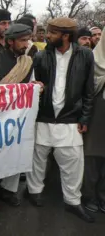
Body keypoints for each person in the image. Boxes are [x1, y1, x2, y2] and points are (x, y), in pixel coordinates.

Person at [26, 17, 95, 223]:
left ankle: (73, 201)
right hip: (44, 117)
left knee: (73, 161)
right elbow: (32, 86)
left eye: (52, 32)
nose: (47, 36)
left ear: (65, 36)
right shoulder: (40, 56)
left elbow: (88, 91)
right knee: (38, 157)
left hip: (70, 118)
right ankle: (33, 191)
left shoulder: (85, 55)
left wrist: (85, 117)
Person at [0, 24, 35, 207]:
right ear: (10, 41)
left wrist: (36, 87)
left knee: (16, 153)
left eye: (28, 40)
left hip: (19, 117)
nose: (26, 44)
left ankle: (8, 190)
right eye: (22, 40)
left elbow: (30, 85)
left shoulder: (28, 62)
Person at [82, 26, 105, 214]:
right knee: (92, 157)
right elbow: (87, 86)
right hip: (98, 111)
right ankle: (89, 196)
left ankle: (103, 196)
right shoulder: (94, 59)